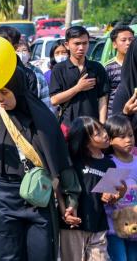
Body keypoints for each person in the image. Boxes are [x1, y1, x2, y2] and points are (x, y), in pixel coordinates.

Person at [0, 67, 81, 261]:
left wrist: (71, 200)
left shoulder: (44, 119)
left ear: (18, 88)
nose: (0, 98)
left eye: (5, 92)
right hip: (3, 199)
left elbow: (61, 162)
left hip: (38, 197)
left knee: (42, 255)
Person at [61, 116, 122, 261]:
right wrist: (64, 212)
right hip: (73, 225)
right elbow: (61, 188)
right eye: (98, 133)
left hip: (98, 225)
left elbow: (110, 199)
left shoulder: (110, 164)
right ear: (85, 140)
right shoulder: (72, 160)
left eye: (102, 129)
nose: (105, 134)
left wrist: (114, 195)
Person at [50, 26, 110, 129]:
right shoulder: (59, 69)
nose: (81, 47)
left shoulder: (97, 68)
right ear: (67, 45)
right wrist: (78, 88)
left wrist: (102, 124)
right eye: (77, 44)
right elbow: (54, 100)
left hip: (93, 125)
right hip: (68, 125)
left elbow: (103, 98)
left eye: (85, 43)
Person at [103, 115, 137, 260]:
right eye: (122, 137)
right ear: (110, 140)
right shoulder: (110, 163)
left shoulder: (136, 162)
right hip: (114, 227)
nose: (128, 140)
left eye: (130, 135)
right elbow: (106, 197)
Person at [105, 26, 135, 113]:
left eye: (131, 39)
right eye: (123, 40)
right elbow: (104, 98)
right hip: (115, 119)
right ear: (114, 44)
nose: (128, 43)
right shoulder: (108, 68)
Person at [17, 40, 51, 109]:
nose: (21, 54)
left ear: (29, 54)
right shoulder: (10, 70)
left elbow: (44, 95)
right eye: (17, 51)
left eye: (24, 50)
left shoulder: (37, 71)